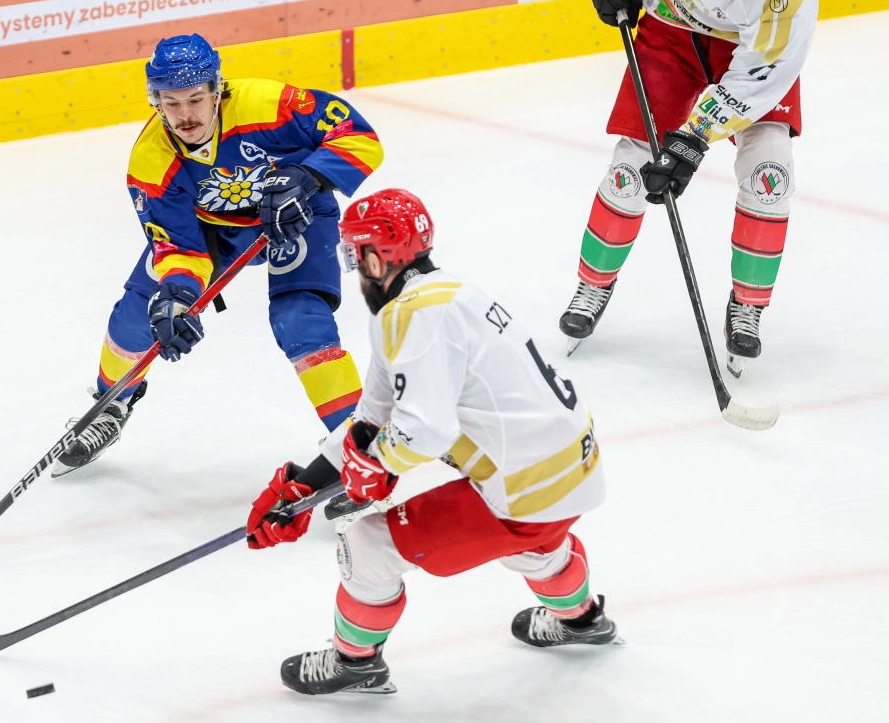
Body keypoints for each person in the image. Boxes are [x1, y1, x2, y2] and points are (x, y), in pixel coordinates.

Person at [244, 188, 617, 695]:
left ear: (376, 257)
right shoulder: (441, 296)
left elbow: (425, 430)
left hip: (527, 491)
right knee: (530, 545)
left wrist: (377, 465)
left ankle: (355, 662)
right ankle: (582, 620)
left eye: (355, 254)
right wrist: (304, 485)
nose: (355, 268)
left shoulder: (413, 314)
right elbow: (372, 416)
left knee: (368, 544)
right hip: (571, 471)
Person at [50, 34, 384, 476]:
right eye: (171, 103)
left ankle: (357, 444)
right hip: (214, 231)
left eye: (195, 99)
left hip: (296, 215)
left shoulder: (268, 104)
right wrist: (177, 298)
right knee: (141, 312)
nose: (185, 115)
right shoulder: (151, 160)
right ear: (156, 102)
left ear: (216, 90)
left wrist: (306, 175)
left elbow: (359, 136)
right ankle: (110, 405)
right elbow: (180, 247)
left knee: (300, 319)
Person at [563, 0, 818, 376]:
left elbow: (754, 79)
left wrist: (693, 140)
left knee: (770, 172)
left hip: (747, 56)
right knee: (630, 168)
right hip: (672, 33)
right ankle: (592, 286)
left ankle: (747, 306)